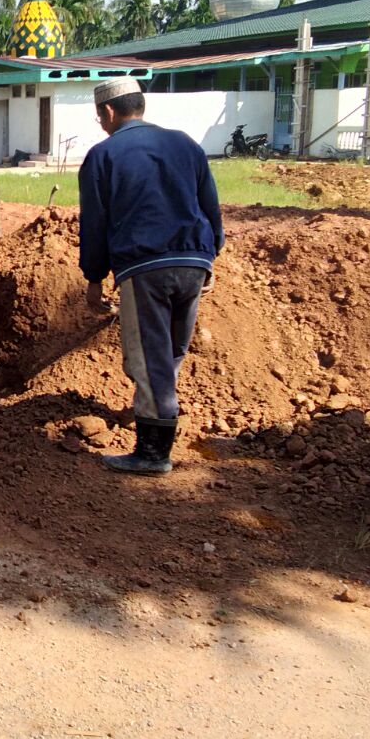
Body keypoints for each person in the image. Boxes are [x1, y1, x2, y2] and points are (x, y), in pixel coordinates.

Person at [78, 77, 224, 476]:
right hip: (193, 260)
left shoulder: (103, 155)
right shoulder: (185, 144)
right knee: (172, 352)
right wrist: (211, 255)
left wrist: (94, 276)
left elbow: (96, 222)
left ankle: (153, 452)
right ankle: (159, 416)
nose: (101, 123)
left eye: (99, 117)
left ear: (109, 112)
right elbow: (210, 204)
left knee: (148, 358)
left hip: (146, 268)